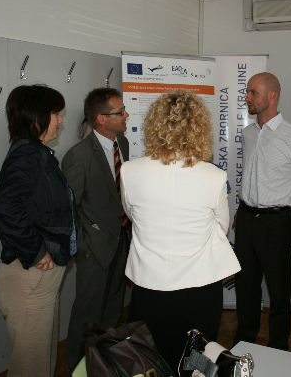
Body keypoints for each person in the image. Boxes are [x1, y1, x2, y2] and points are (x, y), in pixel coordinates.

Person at [120, 90, 241, 372]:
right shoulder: (214, 176)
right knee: (195, 362)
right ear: (200, 128)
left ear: (154, 125)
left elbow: (132, 215)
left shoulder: (129, 171)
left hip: (149, 286)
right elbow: (221, 227)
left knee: (150, 361)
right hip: (200, 288)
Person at [233, 72, 291, 351]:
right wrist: (241, 210)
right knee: (245, 287)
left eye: (253, 92)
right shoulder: (248, 133)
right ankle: (244, 344)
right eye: (247, 92)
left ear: (272, 96)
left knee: (279, 291)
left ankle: (279, 348)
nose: (247, 97)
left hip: (276, 222)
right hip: (247, 220)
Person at [0, 85, 75, 377]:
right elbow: (4, 209)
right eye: (56, 113)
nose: (61, 120)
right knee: (31, 367)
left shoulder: (37, 153)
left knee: (42, 361)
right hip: (29, 276)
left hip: (39, 278)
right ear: (37, 116)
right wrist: (36, 251)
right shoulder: (27, 156)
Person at [62, 87, 130, 372]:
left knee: (113, 309)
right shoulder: (79, 156)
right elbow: (69, 209)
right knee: (86, 315)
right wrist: (84, 247)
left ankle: (102, 363)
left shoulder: (122, 144)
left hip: (121, 241)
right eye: (120, 112)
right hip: (93, 249)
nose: (126, 115)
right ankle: (78, 368)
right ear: (101, 119)